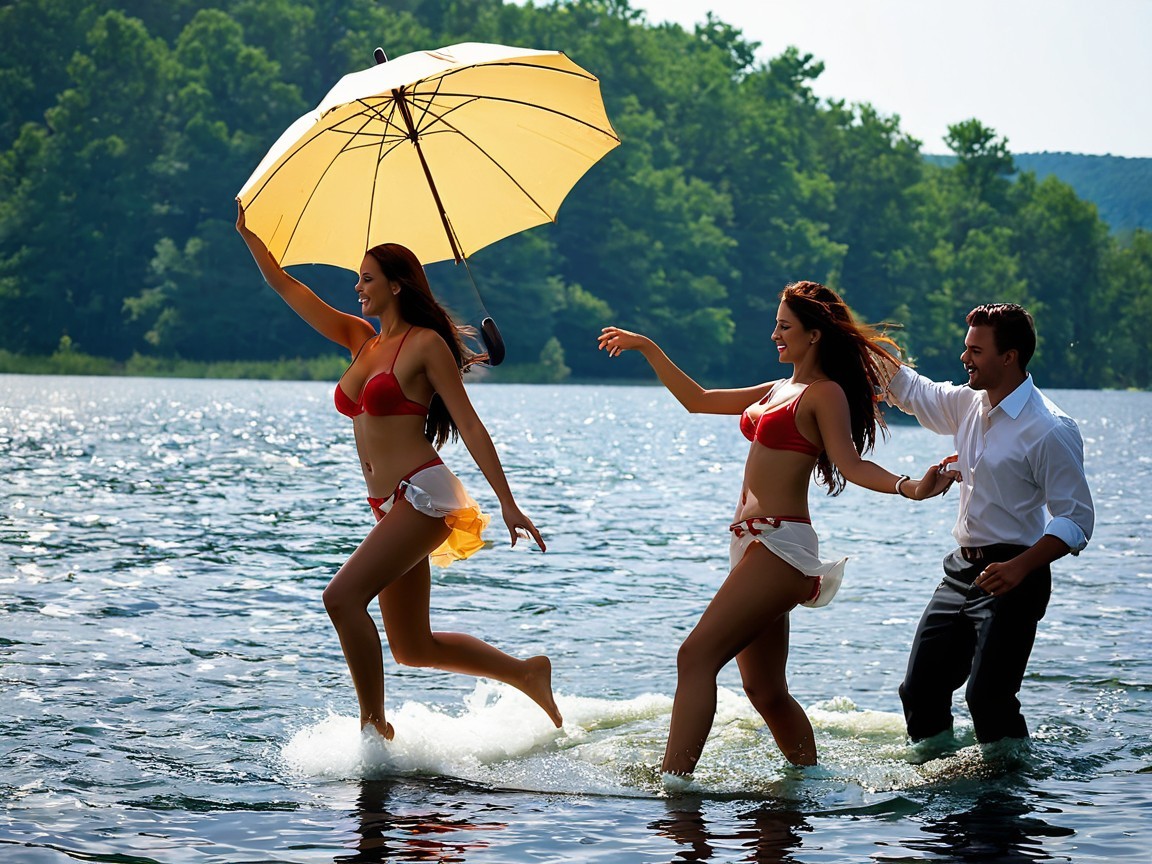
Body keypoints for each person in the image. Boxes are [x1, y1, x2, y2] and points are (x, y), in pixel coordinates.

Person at [597, 281, 958, 776]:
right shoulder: (777, 389)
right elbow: (697, 400)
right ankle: (810, 780)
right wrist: (647, 347)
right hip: (749, 545)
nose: (775, 334)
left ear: (814, 335)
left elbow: (851, 465)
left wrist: (910, 486)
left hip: (780, 546)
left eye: (785, 326)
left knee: (695, 657)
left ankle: (674, 788)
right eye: (776, 324)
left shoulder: (824, 393)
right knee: (764, 691)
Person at [236, 201, 561, 740]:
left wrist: (507, 501)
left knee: (340, 598)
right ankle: (526, 672)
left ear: (397, 285)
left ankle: (373, 727)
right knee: (412, 647)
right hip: (388, 504)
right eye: (358, 279)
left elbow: (472, 427)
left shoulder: (425, 344)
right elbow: (287, 287)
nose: (358, 288)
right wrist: (251, 235)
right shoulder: (360, 340)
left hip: (422, 495)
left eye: (367, 278)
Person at [879, 302, 1094, 746]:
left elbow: (1076, 519)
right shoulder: (966, 403)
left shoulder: (1050, 428)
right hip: (960, 571)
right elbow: (909, 388)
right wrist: (836, 326)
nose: (964, 359)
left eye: (975, 351)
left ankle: (1003, 801)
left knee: (987, 697)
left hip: (1017, 574)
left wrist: (1021, 567)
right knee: (918, 690)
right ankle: (936, 784)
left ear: (1009, 357)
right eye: (966, 348)